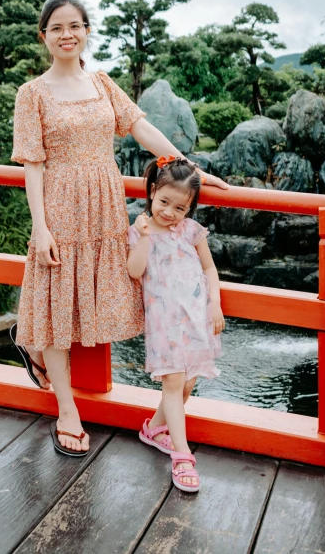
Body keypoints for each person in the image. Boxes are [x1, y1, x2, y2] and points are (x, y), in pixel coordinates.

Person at [11, 0, 228, 457]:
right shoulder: (31, 94)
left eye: (75, 26)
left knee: (95, 293)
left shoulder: (103, 84)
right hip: (60, 204)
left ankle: (32, 347)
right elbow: (32, 165)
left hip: (105, 204)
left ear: (87, 30)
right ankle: (67, 410)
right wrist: (41, 227)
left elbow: (140, 128)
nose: (66, 34)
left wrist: (186, 163)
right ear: (44, 36)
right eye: (56, 28)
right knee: (55, 302)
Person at [127, 156, 225, 492]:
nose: (169, 213)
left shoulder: (191, 231)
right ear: (152, 191)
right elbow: (135, 271)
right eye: (164, 202)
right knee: (173, 384)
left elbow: (210, 269)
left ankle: (153, 430)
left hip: (195, 318)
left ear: (190, 208)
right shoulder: (140, 229)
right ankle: (182, 457)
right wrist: (142, 238)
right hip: (164, 322)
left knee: (185, 386)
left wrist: (215, 303)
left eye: (179, 208)